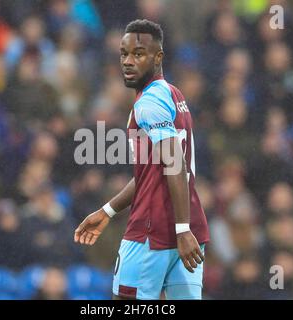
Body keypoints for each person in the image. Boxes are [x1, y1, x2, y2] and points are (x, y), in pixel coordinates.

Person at [74, 19, 210, 300]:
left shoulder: (148, 104)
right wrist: (108, 211)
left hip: (153, 231)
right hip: (189, 228)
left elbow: (174, 162)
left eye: (138, 54)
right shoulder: (175, 96)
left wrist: (180, 229)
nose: (128, 61)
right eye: (124, 54)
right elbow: (154, 171)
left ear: (158, 57)